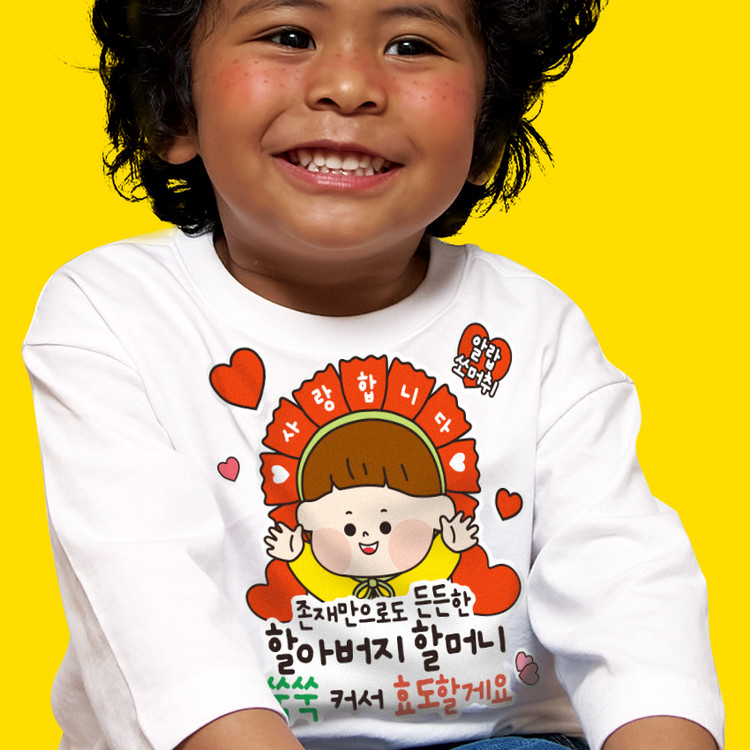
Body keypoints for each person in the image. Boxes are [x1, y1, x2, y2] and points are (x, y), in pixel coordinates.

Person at [23, 0, 723, 748]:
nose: (349, 86)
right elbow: (151, 608)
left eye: (411, 44)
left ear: (486, 135)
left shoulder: (531, 325)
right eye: (290, 35)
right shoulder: (113, 312)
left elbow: (625, 580)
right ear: (174, 111)